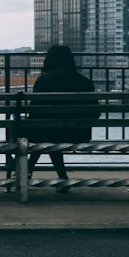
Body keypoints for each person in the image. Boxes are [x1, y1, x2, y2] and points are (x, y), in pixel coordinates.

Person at [25, 44, 99, 185]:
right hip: (79, 135)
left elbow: (34, 113)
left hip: (46, 134)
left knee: (47, 135)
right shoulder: (84, 81)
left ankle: (28, 171)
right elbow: (96, 114)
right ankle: (61, 176)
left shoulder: (43, 81)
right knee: (52, 135)